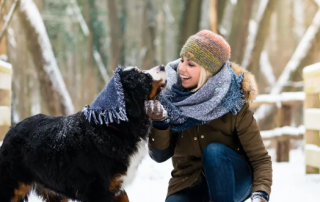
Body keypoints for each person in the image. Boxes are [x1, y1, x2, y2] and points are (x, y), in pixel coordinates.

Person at [146, 30, 272, 202]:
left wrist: (261, 194)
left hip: (234, 180)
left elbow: (260, 159)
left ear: (208, 71)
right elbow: (159, 156)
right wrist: (160, 123)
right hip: (189, 183)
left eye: (191, 65)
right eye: (182, 60)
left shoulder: (233, 102)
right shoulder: (170, 98)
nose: (181, 68)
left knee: (214, 151)